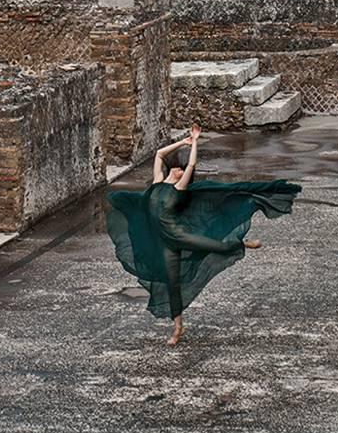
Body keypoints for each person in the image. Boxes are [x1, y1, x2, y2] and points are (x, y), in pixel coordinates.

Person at [106, 123, 301, 346]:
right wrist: (184, 141)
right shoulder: (158, 181)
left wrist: (196, 142)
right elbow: (160, 154)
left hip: (179, 236)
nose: (179, 169)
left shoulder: (179, 187)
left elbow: (192, 163)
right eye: (177, 166)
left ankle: (240, 243)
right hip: (163, 242)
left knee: (217, 246)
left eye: (181, 167)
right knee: (172, 283)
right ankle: (178, 327)